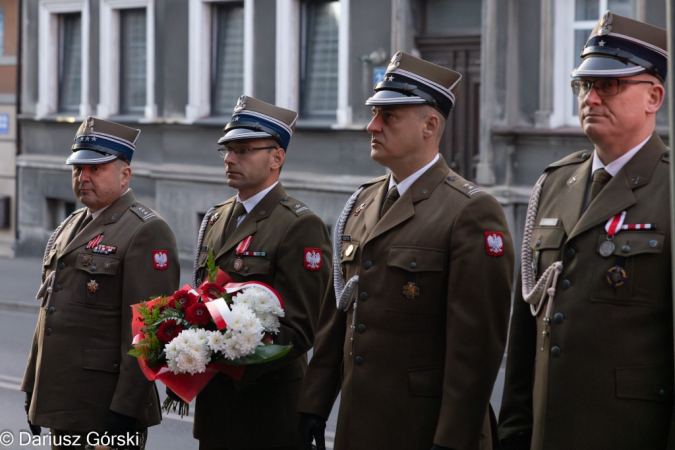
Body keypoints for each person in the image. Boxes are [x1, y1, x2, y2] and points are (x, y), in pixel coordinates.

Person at [297, 52, 514, 450]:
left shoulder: (469, 211)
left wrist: (453, 438)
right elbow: (338, 314)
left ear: (430, 125)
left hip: (422, 427)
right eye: (375, 114)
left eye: (389, 116)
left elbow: (477, 348)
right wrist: (313, 403)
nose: (371, 126)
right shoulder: (362, 203)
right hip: (358, 425)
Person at [498, 12, 672, 450]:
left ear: (653, 97)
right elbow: (527, 329)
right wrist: (515, 432)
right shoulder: (554, 184)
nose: (591, 98)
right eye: (584, 85)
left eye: (609, 85)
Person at [21, 117, 180, 449]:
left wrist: (123, 412)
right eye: (78, 169)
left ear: (125, 174)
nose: (84, 177)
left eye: (96, 168)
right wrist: (33, 389)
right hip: (63, 403)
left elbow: (148, 335)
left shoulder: (145, 231)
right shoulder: (71, 225)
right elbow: (49, 316)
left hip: (104, 409)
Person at [190, 95, 332, 450]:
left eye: (242, 149)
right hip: (217, 406)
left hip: (267, 407)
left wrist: (224, 350)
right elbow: (202, 295)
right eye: (226, 149)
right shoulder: (216, 217)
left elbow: (300, 328)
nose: (229, 158)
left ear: (276, 157)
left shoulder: (299, 225)